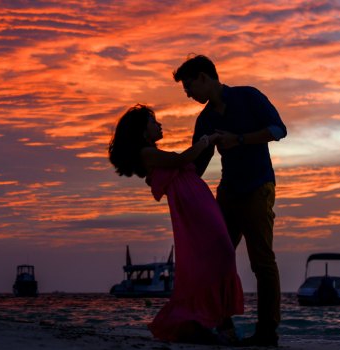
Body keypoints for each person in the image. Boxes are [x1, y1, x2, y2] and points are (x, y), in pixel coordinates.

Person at [173, 54, 287, 347]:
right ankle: (221, 326)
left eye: (189, 86)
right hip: (227, 193)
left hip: (258, 187)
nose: (188, 94)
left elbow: (278, 130)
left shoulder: (248, 96)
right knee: (214, 258)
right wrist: (171, 177)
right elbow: (197, 164)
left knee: (262, 261)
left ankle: (267, 332)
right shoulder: (205, 119)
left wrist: (239, 139)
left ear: (203, 77)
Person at [108, 104, 244, 344]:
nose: (159, 125)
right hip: (192, 207)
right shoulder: (146, 153)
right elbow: (182, 159)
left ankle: (213, 323)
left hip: (198, 202)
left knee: (218, 256)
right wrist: (207, 140)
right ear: (143, 131)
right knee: (220, 255)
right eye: (153, 122)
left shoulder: (152, 153)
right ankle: (215, 324)